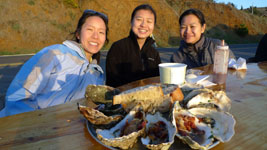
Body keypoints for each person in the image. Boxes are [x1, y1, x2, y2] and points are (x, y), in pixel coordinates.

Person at [0, 9, 109, 117]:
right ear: (78, 34)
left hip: (63, 131)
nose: (95, 36)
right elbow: (18, 94)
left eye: (101, 32)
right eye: (90, 29)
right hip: (20, 128)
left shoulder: (97, 74)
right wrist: (36, 127)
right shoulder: (55, 54)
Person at [106, 4, 161, 87]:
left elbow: (158, 81)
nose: (143, 25)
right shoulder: (118, 47)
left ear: (153, 26)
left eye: (149, 21)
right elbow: (112, 82)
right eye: (139, 19)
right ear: (131, 22)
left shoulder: (154, 53)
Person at [170, 8, 235, 69]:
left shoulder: (218, 46)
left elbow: (235, 70)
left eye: (192, 26)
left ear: (203, 28)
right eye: (183, 27)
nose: (187, 31)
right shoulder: (176, 58)